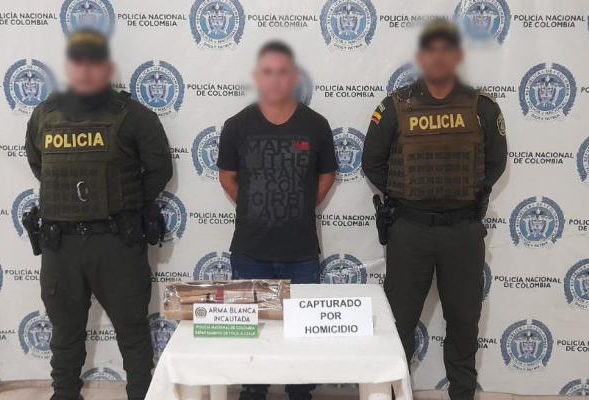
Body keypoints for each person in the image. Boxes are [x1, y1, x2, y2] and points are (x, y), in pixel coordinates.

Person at [362, 19, 507, 400]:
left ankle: (462, 394)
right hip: (409, 230)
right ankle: (394, 393)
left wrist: (462, 195)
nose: (439, 57)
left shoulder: (482, 107)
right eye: (431, 50)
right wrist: (408, 195)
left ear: (457, 56)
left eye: (447, 49)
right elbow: (372, 163)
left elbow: (495, 164)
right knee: (398, 324)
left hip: (463, 231)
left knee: (463, 323)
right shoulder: (394, 107)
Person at [24, 29, 173, 400]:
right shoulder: (44, 116)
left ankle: (142, 394)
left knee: (133, 331)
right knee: (65, 335)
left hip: (116, 242)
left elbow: (159, 170)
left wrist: (123, 203)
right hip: (61, 245)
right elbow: (40, 166)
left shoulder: (133, 116)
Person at [217, 41, 337, 400]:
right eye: (267, 72)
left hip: (301, 254)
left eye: (283, 71)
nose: (275, 79)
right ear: (258, 77)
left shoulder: (316, 125)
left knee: (300, 337)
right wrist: (258, 207)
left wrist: (297, 206)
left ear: (294, 76)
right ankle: (254, 391)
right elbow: (227, 177)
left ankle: (300, 392)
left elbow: (327, 175)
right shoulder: (237, 126)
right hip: (250, 252)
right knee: (253, 337)